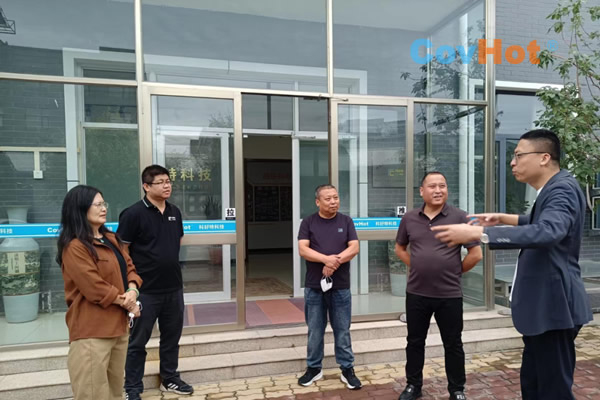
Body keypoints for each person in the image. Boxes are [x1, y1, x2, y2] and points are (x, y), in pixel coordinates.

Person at [431, 129, 593, 400]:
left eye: (518, 155)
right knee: (534, 384)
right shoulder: (554, 187)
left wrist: (480, 233)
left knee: (552, 390)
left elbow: (549, 231)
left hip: (554, 307)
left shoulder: (561, 189)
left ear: (544, 158)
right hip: (546, 308)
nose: (512, 162)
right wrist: (505, 219)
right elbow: (542, 222)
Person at [395, 172, 482, 400]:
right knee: (415, 342)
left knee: (453, 344)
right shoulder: (410, 218)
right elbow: (400, 248)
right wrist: (417, 266)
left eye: (442, 186)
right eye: (432, 186)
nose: (438, 190)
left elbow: (476, 254)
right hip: (417, 292)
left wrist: (455, 271)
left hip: (449, 294)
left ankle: (457, 389)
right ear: (421, 191)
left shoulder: (461, 217)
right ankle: (413, 385)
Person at [57, 185, 142, 400]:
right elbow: (94, 287)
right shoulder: (75, 246)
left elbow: (130, 267)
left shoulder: (111, 239)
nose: (103, 208)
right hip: (92, 331)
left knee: (114, 392)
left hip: (119, 327)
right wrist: (128, 303)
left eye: (104, 203)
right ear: (80, 208)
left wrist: (133, 290)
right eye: (97, 204)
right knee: (93, 394)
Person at [119, 165, 193, 399]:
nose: (166, 185)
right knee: (137, 342)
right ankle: (133, 388)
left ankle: (169, 379)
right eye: (160, 182)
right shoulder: (133, 214)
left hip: (173, 287)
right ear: (146, 186)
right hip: (145, 290)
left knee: (171, 338)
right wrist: (131, 284)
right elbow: (123, 250)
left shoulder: (174, 211)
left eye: (168, 181)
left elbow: (177, 242)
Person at [297, 184, 362, 390]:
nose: (333, 202)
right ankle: (314, 368)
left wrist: (334, 262)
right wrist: (326, 259)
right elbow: (303, 250)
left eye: (336, 197)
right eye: (328, 199)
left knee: (342, 330)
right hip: (314, 286)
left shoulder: (346, 221)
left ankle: (347, 368)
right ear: (318, 202)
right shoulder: (308, 222)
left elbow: (354, 247)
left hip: (340, 286)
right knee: (315, 330)